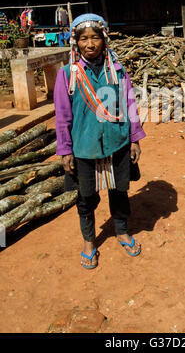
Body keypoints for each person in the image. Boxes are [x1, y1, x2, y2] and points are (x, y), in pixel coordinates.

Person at [53, 13, 146, 269]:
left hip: (117, 142)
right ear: (76, 42)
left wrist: (135, 139)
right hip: (84, 147)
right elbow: (62, 115)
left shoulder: (117, 71)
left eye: (95, 37)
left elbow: (129, 105)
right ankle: (89, 241)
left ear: (104, 40)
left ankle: (121, 231)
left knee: (120, 191)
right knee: (86, 198)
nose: (90, 44)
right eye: (84, 39)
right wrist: (65, 150)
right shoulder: (67, 75)